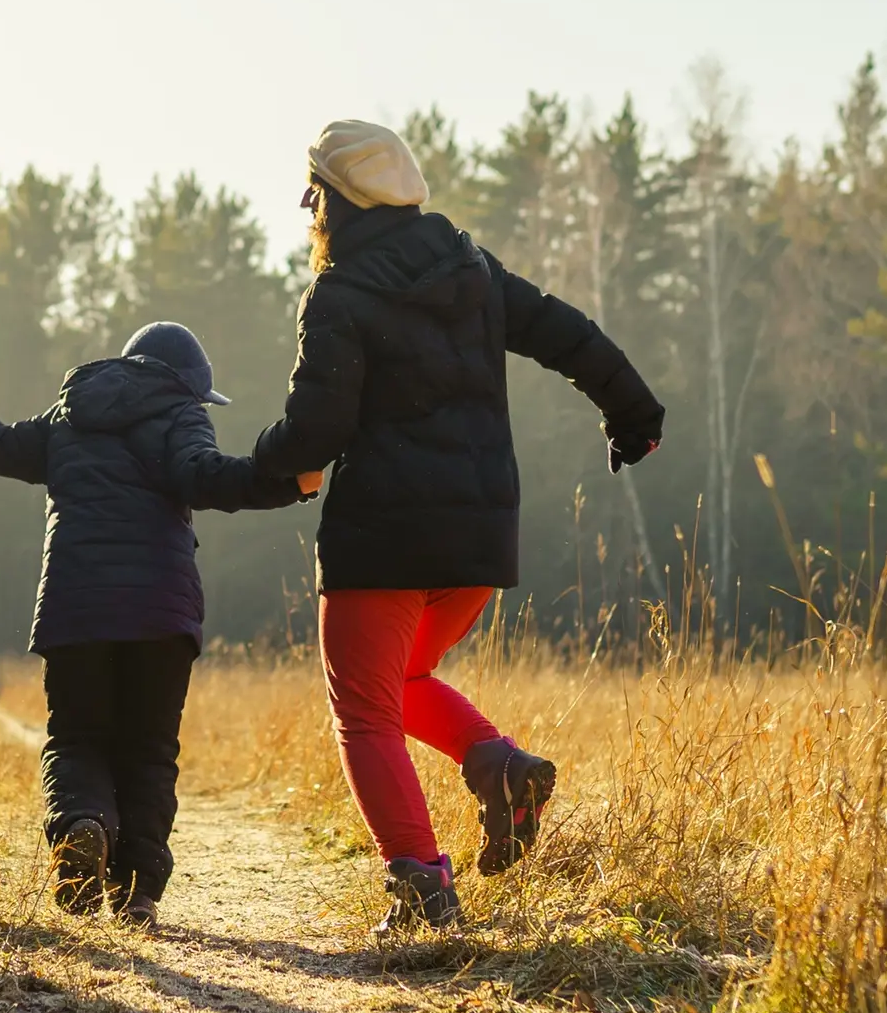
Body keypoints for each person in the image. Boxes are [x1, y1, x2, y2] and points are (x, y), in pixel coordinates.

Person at [241, 117, 662, 934]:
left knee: (363, 711)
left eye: (312, 196)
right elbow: (563, 329)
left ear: (337, 202)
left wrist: (254, 466)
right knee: (400, 684)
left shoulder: (340, 294)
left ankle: (422, 887)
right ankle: (501, 771)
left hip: (383, 543)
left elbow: (314, 433)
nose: (308, 213)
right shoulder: (468, 267)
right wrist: (633, 412)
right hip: (476, 542)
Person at [0, 320, 315, 925]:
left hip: (76, 604)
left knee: (76, 736)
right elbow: (210, 476)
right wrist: (288, 486)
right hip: (159, 612)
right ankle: (138, 892)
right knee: (149, 748)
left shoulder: (71, 414)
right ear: (185, 383)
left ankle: (83, 826)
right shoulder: (179, 413)